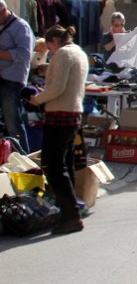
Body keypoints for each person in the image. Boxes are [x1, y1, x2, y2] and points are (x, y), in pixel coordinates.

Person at [29, 25, 88, 234]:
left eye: (49, 47)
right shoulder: (79, 52)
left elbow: (57, 87)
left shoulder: (63, 54)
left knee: (54, 166)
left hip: (60, 114)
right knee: (66, 164)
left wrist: (37, 99)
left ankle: (71, 215)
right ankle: (71, 209)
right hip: (72, 113)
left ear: (54, 41)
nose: (50, 52)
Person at [0, 0, 34, 153]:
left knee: (13, 124)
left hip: (11, 82)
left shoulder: (20, 26)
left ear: (4, 11)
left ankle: (24, 160)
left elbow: (25, 54)